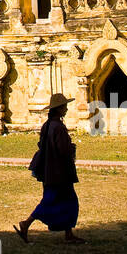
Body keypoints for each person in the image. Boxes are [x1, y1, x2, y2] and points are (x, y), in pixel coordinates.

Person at [15, 92, 85, 244]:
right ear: (59, 109)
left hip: (49, 170)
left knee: (65, 201)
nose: (66, 109)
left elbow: (42, 145)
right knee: (54, 201)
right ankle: (26, 223)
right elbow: (62, 150)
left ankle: (68, 233)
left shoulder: (48, 125)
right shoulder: (58, 127)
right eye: (64, 107)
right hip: (59, 172)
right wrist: (71, 148)